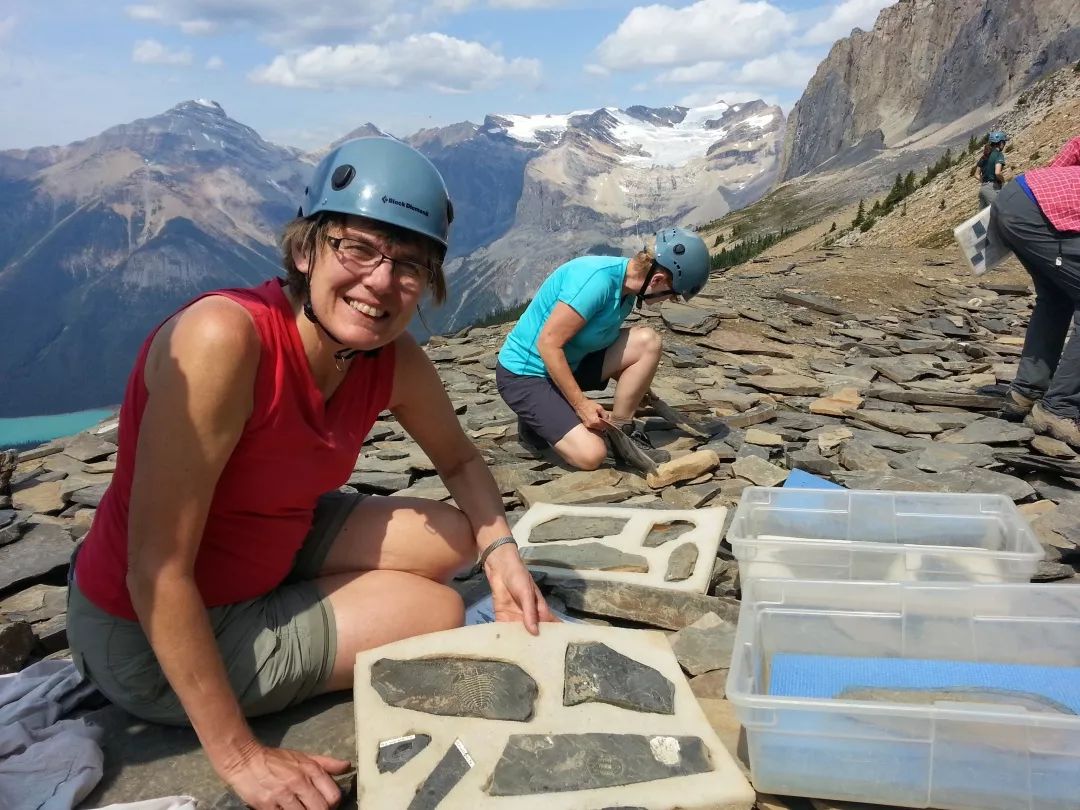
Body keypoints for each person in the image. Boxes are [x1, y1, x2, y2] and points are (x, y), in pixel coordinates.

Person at [66, 137, 554, 810]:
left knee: (457, 538)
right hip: (147, 636)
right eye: (357, 248)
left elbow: (461, 459)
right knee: (438, 608)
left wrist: (503, 557)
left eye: (409, 264)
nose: (381, 281)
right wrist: (240, 757)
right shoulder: (222, 340)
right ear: (305, 250)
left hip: (265, 538)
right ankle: (287, 627)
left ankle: (315, 603)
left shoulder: (390, 357)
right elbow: (155, 570)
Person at [495, 228, 710, 473]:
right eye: (671, 295)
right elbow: (548, 343)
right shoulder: (596, 282)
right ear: (657, 280)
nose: (666, 301)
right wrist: (581, 404)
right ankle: (535, 421)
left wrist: (637, 384)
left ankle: (621, 434)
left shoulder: (628, 291)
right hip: (526, 375)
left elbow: (596, 340)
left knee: (648, 342)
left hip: (572, 364)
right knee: (591, 455)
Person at [992, 134, 1080, 444]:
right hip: (1043, 214)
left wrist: (1051, 185)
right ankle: (1060, 408)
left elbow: (1074, 146)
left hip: (1027, 192)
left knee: (1057, 297)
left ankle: (1026, 393)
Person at [976, 130, 1008, 209]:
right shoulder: (999, 155)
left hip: (983, 189)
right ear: (1000, 143)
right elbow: (997, 173)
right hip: (992, 188)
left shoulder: (984, 156)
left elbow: (976, 174)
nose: (1004, 145)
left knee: (984, 219)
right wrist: (1004, 181)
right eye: (1004, 142)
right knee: (999, 211)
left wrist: (985, 182)